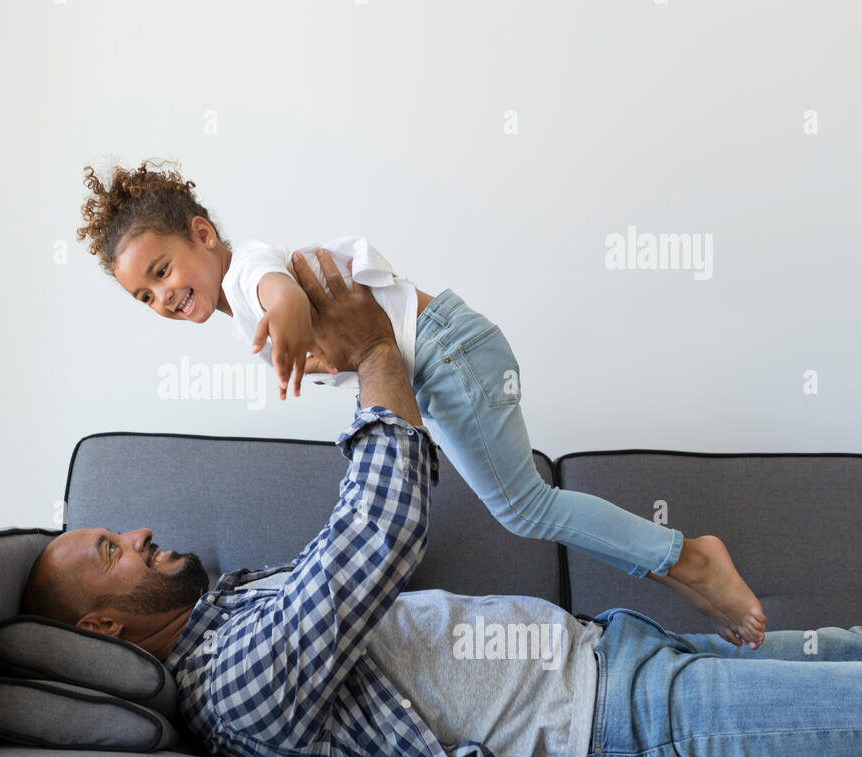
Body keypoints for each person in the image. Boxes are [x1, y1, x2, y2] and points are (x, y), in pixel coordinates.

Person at [21, 249, 862, 757]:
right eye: (109, 551)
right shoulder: (230, 688)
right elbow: (375, 536)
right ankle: (685, 559)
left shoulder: (235, 607)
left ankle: (683, 563)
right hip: (626, 722)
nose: (133, 533)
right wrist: (374, 358)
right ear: (102, 624)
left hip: (615, 650)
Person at [75, 157, 767, 647]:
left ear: (201, 234)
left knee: (524, 506)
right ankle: (687, 562)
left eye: (162, 271)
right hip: (442, 365)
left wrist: (286, 319)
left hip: (448, 350)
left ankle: (691, 559)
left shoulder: (251, 268)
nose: (161, 297)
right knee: (522, 505)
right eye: (145, 296)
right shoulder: (233, 313)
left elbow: (277, 290)